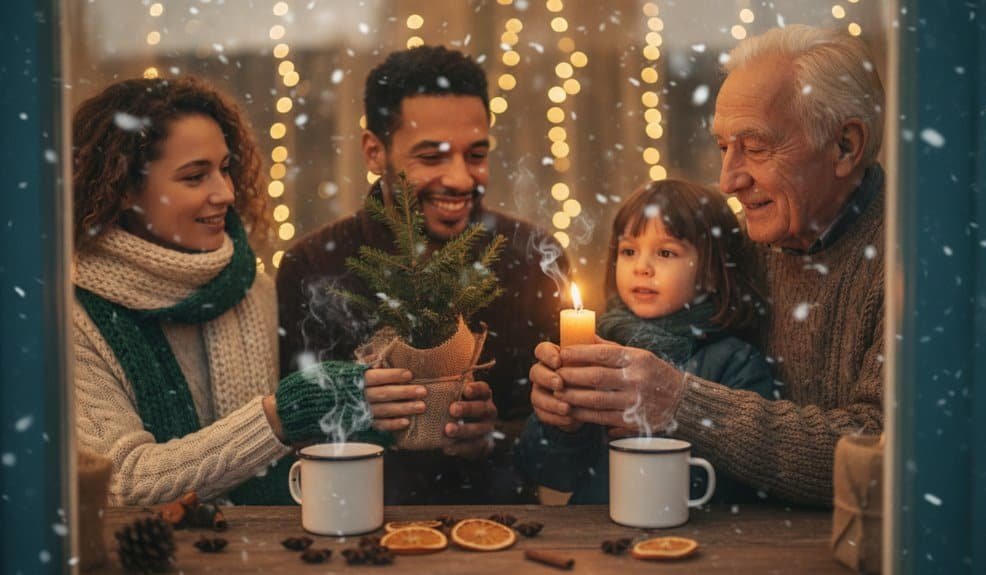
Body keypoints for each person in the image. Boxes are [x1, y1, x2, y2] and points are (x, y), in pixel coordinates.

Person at [528, 24, 886, 506]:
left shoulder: (910, 266)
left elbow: (883, 455)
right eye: (723, 147)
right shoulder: (734, 243)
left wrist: (682, 403)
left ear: (844, 146)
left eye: (755, 148)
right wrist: (565, 415)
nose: (729, 179)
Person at [276, 46, 568, 504]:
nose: (460, 179)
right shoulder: (313, 267)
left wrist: (494, 436)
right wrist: (363, 412)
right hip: (355, 524)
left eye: (476, 154)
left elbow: (562, 442)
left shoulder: (530, 259)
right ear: (374, 151)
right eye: (432, 157)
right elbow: (298, 432)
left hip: (501, 528)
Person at [72, 77, 383, 505]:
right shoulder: (76, 318)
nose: (226, 193)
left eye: (225, 169)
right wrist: (277, 416)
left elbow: (312, 439)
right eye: (195, 176)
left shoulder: (253, 289)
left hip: (271, 543)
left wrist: (384, 408)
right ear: (125, 189)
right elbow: (122, 482)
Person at [517, 179, 775, 503]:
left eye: (666, 252)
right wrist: (562, 426)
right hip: (592, 530)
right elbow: (548, 473)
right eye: (628, 251)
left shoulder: (733, 361)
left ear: (712, 270)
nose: (641, 267)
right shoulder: (597, 350)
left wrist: (670, 430)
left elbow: (745, 482)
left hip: (685, 527)